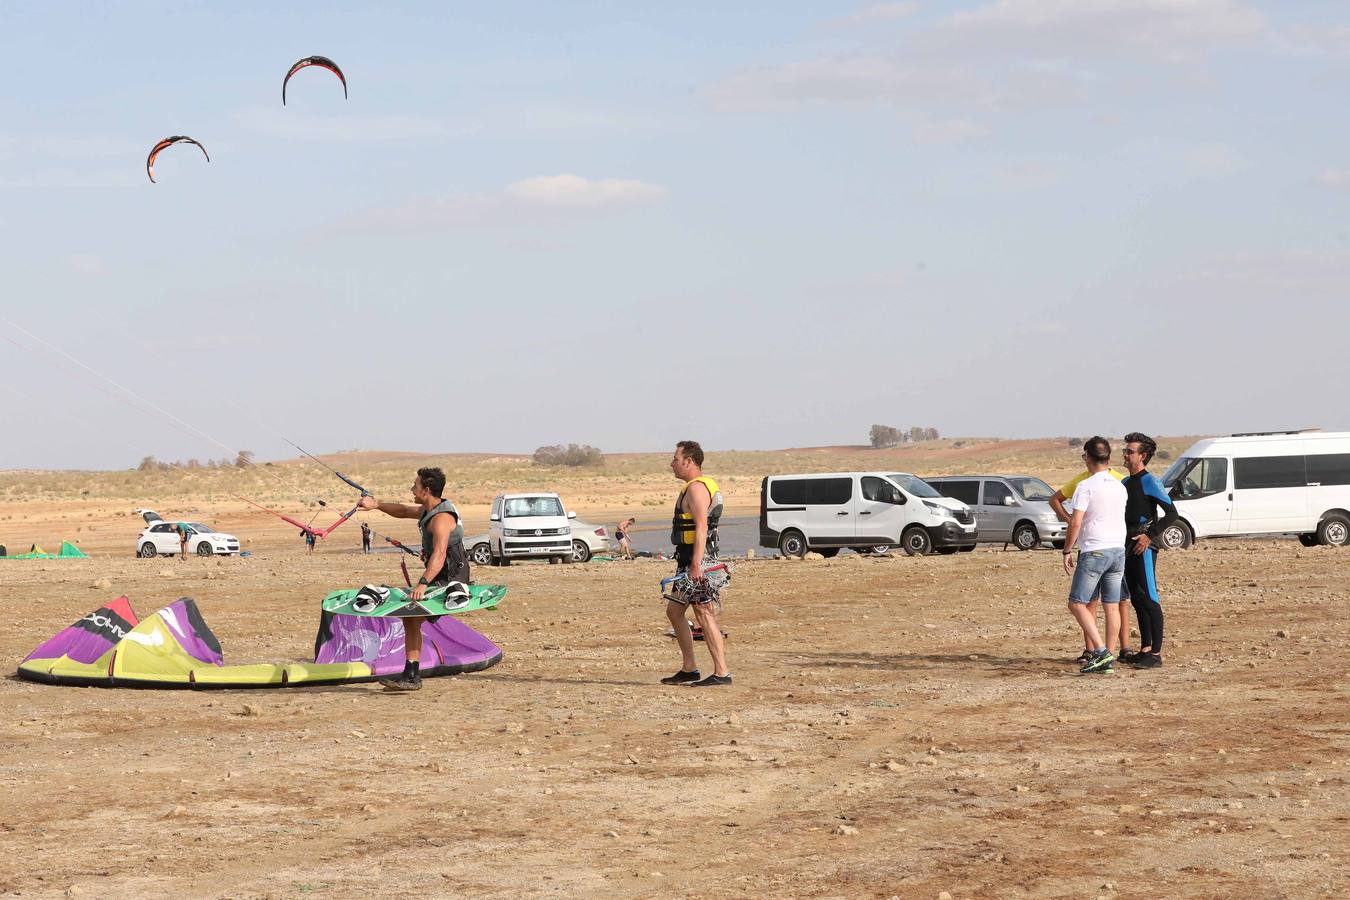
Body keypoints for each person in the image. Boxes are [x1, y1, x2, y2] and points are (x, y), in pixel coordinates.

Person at [357, 466, 469, 691]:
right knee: (411, 618)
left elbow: (439, 554)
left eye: (415, 486)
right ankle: (410, 674)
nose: (411, 489)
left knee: (412, 616)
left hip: (450, 581)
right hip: (438, 575)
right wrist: (376, 504)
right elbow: (403, 510)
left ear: (426, 490)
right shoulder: (429, 509)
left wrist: (423, 583)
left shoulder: (442, 518)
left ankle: (412, 675)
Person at [661, 441, 732, 687]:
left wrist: (696, 565)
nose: (672, 463)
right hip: (688, 560)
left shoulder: (697, 489)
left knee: (703, 612)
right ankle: (689, 668)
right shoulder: (693, 488)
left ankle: (722, 672)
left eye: (675, 458)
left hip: (697, 561)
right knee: (674, 611)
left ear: (688, 461)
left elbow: (702, 527)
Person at [1050, 456, 1131, 662]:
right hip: (1117, 550)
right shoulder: (1120, 485)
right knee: (1112, 605)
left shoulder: (1085, 485)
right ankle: (1108, 656)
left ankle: (1101, 651)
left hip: (1094, 550)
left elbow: (1075, 522)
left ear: (1088, 459)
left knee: (1077, 603)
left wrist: (1067, 550)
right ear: (1108, 458)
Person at [1120, 433, 1179, 670]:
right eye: (1125, 450)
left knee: (1150, 598)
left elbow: (1172, 513)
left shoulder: (1150, 481)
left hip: (1145, 547)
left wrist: (1149, 535)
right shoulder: (1125, 483)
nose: (1125, 454)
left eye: (1130, 451)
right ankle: (1144, 649)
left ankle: (1156, 653)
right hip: (1127, 546)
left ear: (1143, 456)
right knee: (1137, 598)